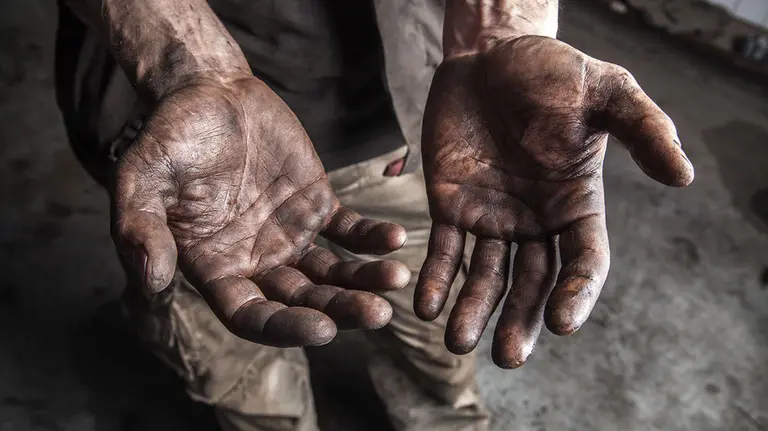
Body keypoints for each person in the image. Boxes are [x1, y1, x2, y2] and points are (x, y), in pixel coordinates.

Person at [54, 0, 695, 430]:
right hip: (177, 132)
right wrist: (192, 69)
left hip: (412, 122)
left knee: (438, 330)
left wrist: (498, 35)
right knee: (237, 361)